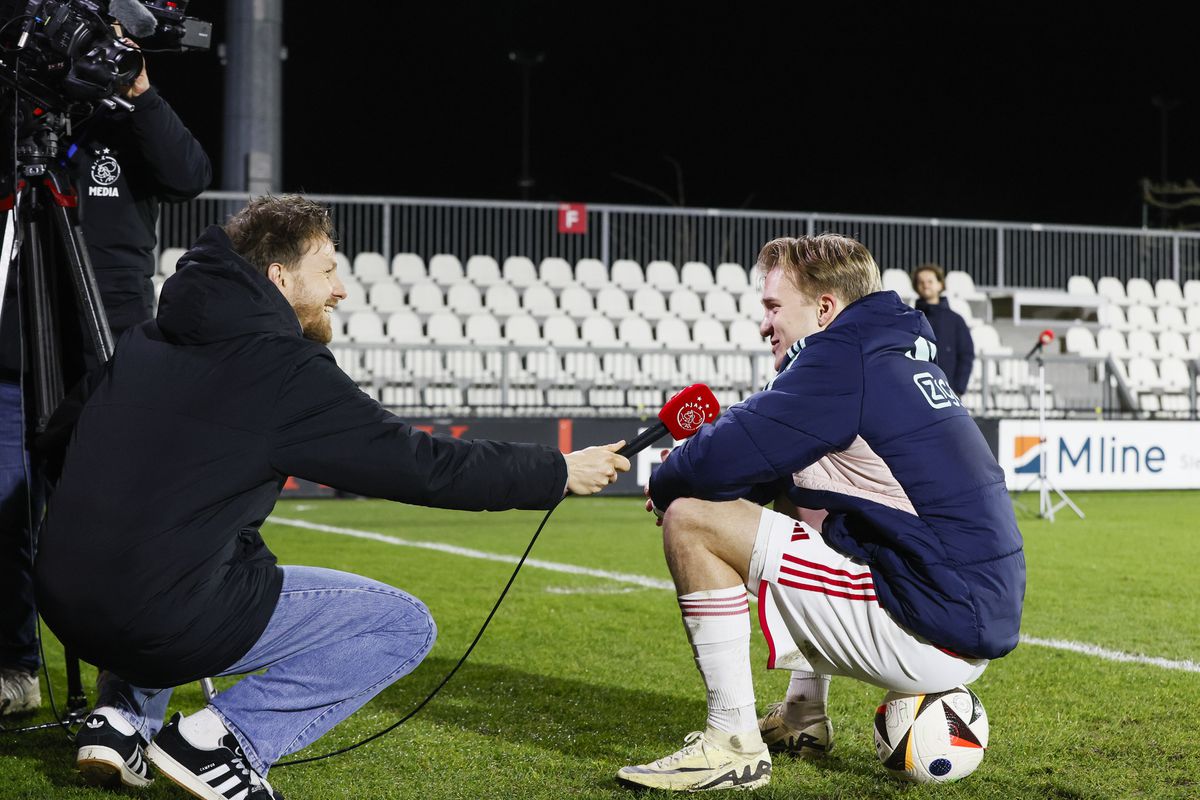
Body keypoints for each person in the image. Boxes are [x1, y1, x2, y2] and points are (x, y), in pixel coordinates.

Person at [33, 193, 632, 799]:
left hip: (63, 606)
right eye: (328, 271)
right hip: (157, 617)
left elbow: (57, 441)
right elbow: (420, 464)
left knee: (186, 553)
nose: (340, 289)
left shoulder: (143, 340)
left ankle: (120, 720)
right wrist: (556, 470)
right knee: (400, 625)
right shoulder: (285, 369)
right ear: (279, 276)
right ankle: (223, 742)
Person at [617, 234, 1024, 792]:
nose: (765, 324)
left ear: (825, 308)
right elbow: (769, 467)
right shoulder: (890, 350)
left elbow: (726, 455)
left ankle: (730, 744)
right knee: (799, 495)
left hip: (932, 624)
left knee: (692, 517)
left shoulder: (844, 356)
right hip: (961, 614)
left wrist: (667, 482)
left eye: (773, 307)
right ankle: (803, 717)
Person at [0, 34, 211, 716]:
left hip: (108, 354)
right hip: (14, 354)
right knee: (4, 522)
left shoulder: (125, 123)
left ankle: (125, 692)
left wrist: (140, 90)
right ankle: (15, 671)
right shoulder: (15, 127)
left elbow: (188, 174)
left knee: (121, 521)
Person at [911, 263, 975, 396]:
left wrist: (958, 389)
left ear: (940, 284)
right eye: (921, 282)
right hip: (915, 392)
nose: (925, 285)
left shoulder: (956, 320)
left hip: (949, 392)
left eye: (930, 281)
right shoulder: (909, 319)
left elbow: (966, 355)